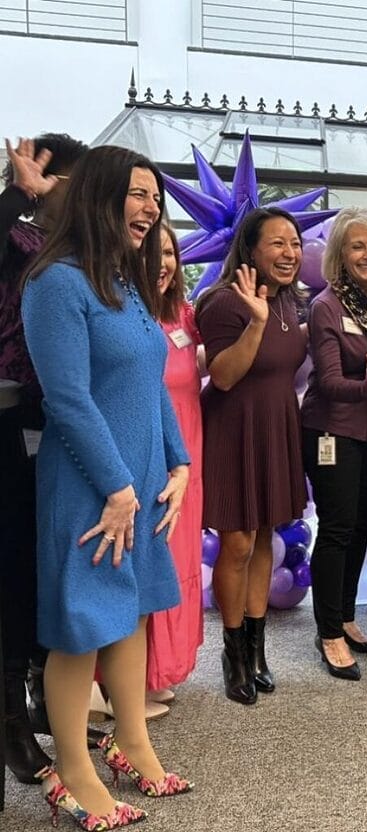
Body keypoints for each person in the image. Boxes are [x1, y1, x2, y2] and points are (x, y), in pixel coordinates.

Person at [22, 145, 193, 828]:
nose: (152, 209)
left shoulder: (125, 285)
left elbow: (152, 386)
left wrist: (178, 465)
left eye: (157, 198)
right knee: (81, 629)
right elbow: (66, 400)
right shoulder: (55, 283)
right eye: (139, 194)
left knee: (131, 617)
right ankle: (72, 774)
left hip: (142, 486)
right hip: (92, 489)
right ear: (99, 194)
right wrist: (118, 488)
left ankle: (133, 744)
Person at [1, 133, 87, 785]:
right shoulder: (16, 236)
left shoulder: (72, 251)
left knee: (42, 569)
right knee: (13, 574)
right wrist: (17, 193)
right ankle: (10, 724)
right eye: (70, 183)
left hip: (54, 424)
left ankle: (41, 700)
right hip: (8, 422)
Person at [195, 207, 307, 705]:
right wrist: (255, 323)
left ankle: (258, 649)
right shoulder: (222, 301)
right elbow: (221, 375)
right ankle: (232, 651)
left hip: (277, 427)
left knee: (265, 534)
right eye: (278, 244)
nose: (290, 253)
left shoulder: (290, 301)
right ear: (251, 248)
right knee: (237, 542)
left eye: (296, 243)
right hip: (234, 430)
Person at [301, 208, 367, 680]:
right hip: (331, 430)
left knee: (360, 526)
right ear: (340, 253)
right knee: (338, 529)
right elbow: (330, 381)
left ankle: (344, 616)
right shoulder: (326, 306)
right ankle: (328, 633)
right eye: (358, 246)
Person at [144, 223, 204, 700]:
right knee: (151, 557)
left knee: (179, 558)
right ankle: (128, 677)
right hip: (148, 454)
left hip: (190, 454)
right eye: (150, 251)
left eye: (168, 252)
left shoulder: (183, 314)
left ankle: (162, 667)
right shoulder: (122, 314)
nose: (162, 262)